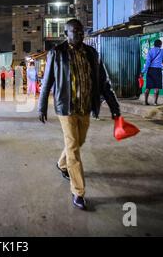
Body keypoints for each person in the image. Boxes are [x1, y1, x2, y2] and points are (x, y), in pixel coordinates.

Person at [38, 19, 121, 210]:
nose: (80, 34)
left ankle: (61, 164)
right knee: (73, 147)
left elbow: (103, 83)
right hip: (66, 108)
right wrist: (41, 106)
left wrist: (114, 106)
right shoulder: (57, 53)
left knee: (78, 141)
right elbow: (47, 81)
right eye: (75, 31)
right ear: (66, 34)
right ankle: (78, 192)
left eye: (81, 31)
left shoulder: (92, 53)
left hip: (85, 108)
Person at [141, 39, 163, 105]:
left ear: (154, 44)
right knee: (157, 87)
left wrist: (143, 71)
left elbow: (147, 63)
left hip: (150, 70)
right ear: (160, 44)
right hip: (158, 70)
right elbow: (162, 59)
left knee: (148, 87)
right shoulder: (162, 51)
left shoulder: (150, 51)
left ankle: (145, 101)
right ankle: (155, 102)